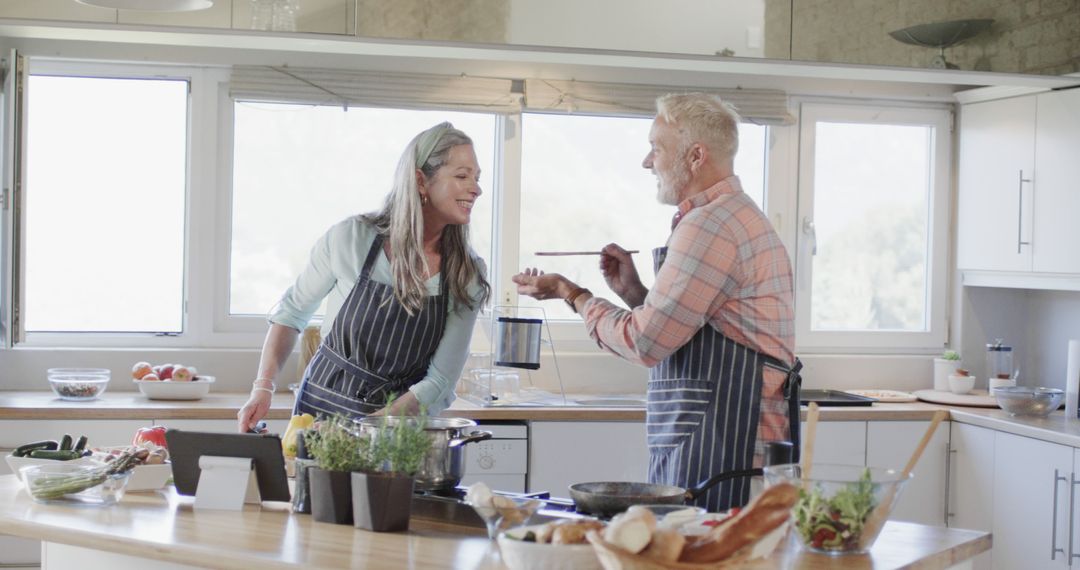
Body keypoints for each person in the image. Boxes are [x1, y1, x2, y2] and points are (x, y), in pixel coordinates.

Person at [513, 93, 799, 512]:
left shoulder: (710, 226)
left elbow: (645, 342)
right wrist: (634, 295)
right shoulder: (733, 215)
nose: (648, 162)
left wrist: (572, 295)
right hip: (725, 436)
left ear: (696, 155)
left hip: (730, 442)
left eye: (656, 148)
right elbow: (703, 326)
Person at [237, 122, 490, 432]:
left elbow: (440, 380)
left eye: (477, 178)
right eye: (462, 176)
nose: (476, 188)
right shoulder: (351, 240)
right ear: (421, 181)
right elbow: (291, 315)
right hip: (321, 413)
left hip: (399, 431)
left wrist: (366, 429)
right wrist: (263, 388)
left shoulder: (466, 273)